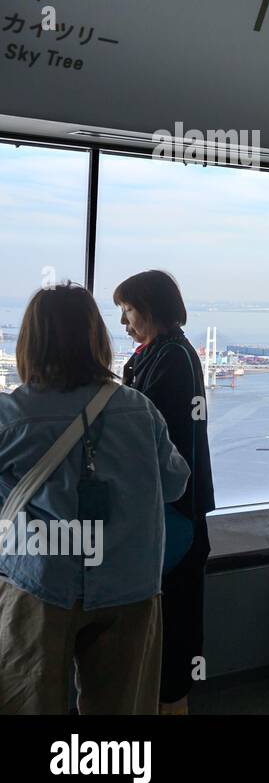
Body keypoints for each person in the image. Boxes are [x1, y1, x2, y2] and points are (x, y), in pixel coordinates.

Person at [0, 284, 189, 714]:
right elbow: (176, 484)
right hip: (130, 582)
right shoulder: (140, 410)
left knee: (27, 700)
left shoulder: (13, 416)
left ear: (30, 342)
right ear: (96, 339)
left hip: (42, 580)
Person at [115, 270, 214, 715]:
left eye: (128, 311)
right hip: (178, 513)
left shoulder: (169, 359)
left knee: (171, 631)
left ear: (150, 309)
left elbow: (147, 437)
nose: (124, 322)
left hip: (173, 516)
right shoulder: (167, 354)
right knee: (173, 628)